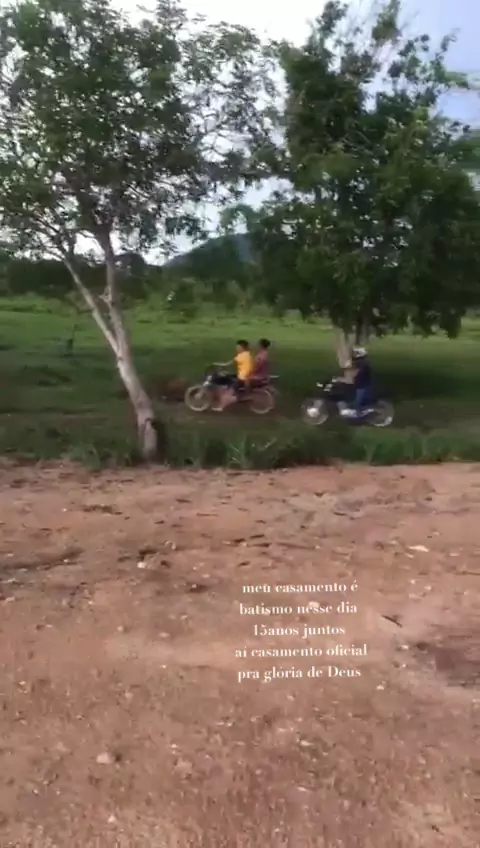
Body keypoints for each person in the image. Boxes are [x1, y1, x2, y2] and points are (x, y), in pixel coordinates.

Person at [212, 339, 254, 411]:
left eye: (238, 347)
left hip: (242, 378)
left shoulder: (241, 356)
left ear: (242, 347)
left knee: (228, 394)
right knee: (228, 377)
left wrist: (216, 364)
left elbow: (227, 364)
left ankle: (221, 407)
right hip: (245, 376)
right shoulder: (248, 354)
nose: (236, 348)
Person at [351, 346, 373, 416]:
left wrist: (342, 378)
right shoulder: (364, 362)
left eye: (355, 353)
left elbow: (356, 372)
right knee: (362, 400)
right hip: (364, 384)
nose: (353, 354)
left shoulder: (360, 363)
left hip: (362, 385)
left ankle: (359, 415)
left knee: (358, 403)